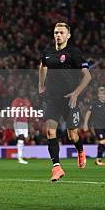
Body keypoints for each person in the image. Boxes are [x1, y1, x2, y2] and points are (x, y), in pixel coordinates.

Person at [39, 22, 91, 182]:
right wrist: (41, 85)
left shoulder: (74, 53)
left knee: (72, 135)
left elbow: (87, 76)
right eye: (56, 32)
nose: (58, 35)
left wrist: (76, 93)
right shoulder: (47, 52)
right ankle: (56, 167)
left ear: (68, 35)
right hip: (52, 99)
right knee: (50, 132)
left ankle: (80, 150)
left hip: (70, 100)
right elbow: (42, 66)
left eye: (61, 32)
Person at [10, 94, 33, 164]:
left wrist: (30, 123)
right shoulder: (16, 101)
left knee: (25, 138)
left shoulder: (27, 101)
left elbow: (30, 112)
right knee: (21, 137)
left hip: (25, 122)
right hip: (18, 121)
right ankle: (20, 157)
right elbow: (13, 111)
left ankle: (21, 156)